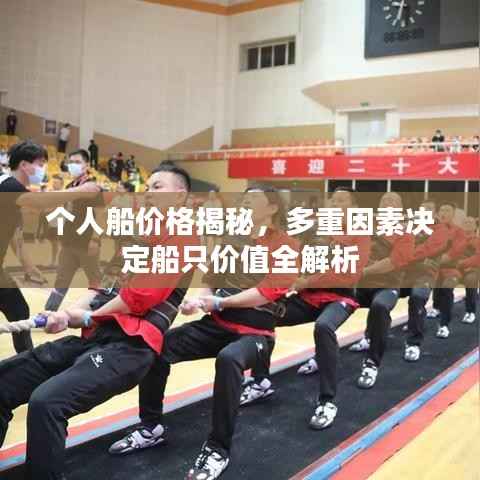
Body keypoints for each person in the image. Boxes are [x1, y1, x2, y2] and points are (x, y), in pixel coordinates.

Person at [0, 164, 196, 479]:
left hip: (129, 348)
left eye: (157, 186)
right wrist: (68, 314)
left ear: (179, 195)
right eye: (147, 187)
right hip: (94, 338)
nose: (148, 193)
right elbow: (99, 289)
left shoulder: (184, 238)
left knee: (47, 403)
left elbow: (139, 296)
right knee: (4, 382)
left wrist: (90, 316)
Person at [108, 185, 299, 480]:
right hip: (217, 325)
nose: (244, 203)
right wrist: (199, 299)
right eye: (243, 198)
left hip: (256, 333)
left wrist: (221, 302)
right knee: (156, 346)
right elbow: (210, 280)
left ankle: (217, 449)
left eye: (252, 200)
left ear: (272, 208)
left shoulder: (287, 244)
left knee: (229, 359)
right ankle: (151, 427)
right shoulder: (232, 240)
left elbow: (266, 292)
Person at [0, 141, 99, 353]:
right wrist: (81, 190)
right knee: (19, 310)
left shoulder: (14, 193)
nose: (43, 168)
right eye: (40, 163)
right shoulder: (8, 185)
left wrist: (28, 266)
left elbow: (15, 235)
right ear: (24, 165)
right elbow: (40, 202)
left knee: (19, 310)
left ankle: (26, 362)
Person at [348, 192, 414, 389]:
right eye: (384, 200)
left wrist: (363, 271)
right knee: (329, 299)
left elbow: (393, 262)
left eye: (393, 201)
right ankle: (321, 355)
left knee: (380, 306)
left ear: (400, 209)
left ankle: (371, 363)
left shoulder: (405, 233)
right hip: (360, 283)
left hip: (387, 285)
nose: (387, 203)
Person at [44, 150, 103, 312]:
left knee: (95, 281)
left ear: (86, 165)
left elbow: (100, 214)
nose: (73, 165)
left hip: (86, 242)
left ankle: (98, 313)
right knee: (61, 279)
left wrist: (95, 239)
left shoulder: (93, 187)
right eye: (71, 162)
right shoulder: (70, 186)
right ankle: (49, 312)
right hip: (69, 242)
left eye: (77, 162)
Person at [401, 200, 452, 361]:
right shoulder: (411, 226)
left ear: (435, 213)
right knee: (378, 294)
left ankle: (413, 343)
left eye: (429, 209)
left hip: (425, 274)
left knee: (417, 297)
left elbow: (427, 249)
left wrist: (406, 256)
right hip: (404, 272)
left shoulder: (441, 230)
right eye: (422, 209)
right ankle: (370, 336)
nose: (425, 211)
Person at [435, 211, 477, 338]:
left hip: (470, 269)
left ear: (475, 226)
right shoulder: (455, 239)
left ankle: (470, 311)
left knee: (471, 279)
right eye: (465, 222)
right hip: (455, 270)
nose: (467, 224)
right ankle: (441, 316)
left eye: (470, 222)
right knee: (444, 282)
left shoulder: (477, 241)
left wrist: (462, 263)